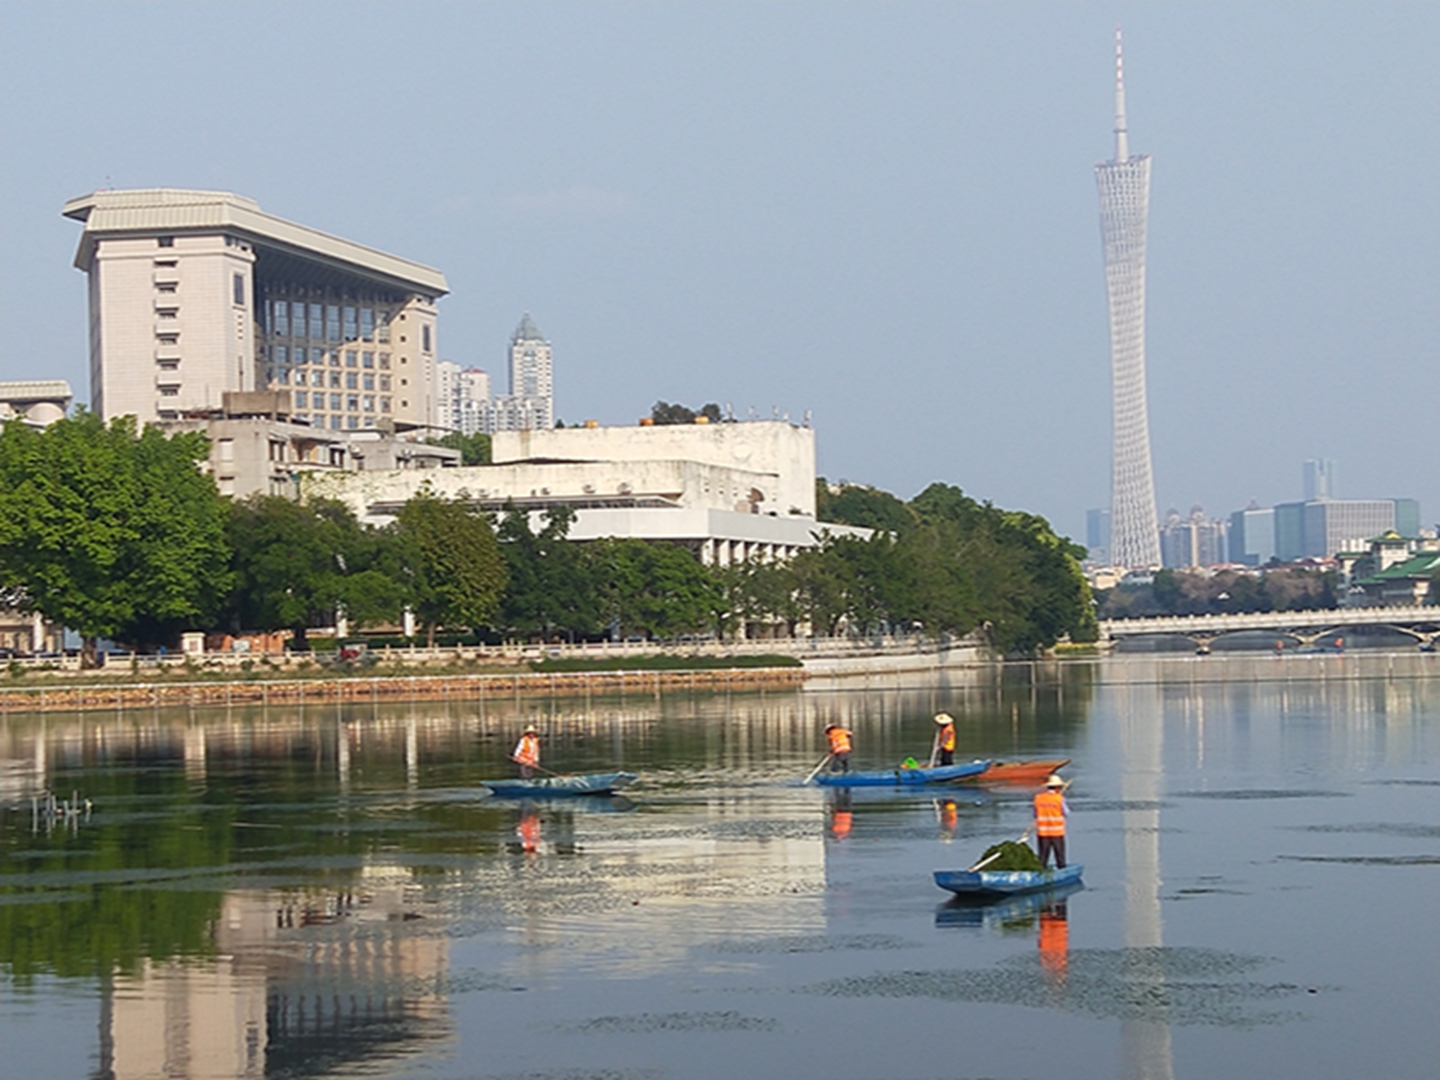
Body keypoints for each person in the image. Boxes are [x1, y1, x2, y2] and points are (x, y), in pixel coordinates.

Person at [1033, 773, 1069, 869]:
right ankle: (1061, 870)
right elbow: (1066, 813)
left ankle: (1041, 869)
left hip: (1043, 832)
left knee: (1043, 856)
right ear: (1057, 787)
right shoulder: (1059, 799)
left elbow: (1035, 814)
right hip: (1057, 832)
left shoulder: (1038, 798)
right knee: (1060, 856)